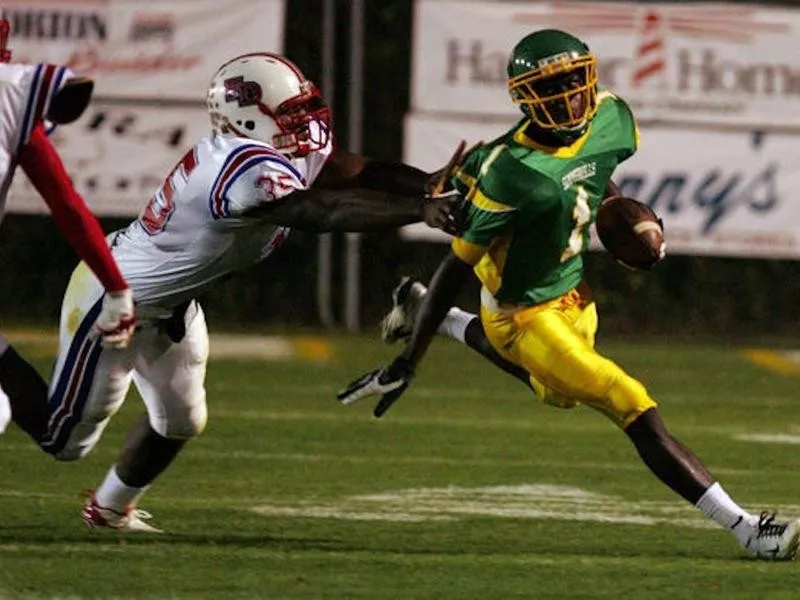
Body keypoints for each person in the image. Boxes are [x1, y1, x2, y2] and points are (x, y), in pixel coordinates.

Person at [336, 28, 800, 561]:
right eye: (552, 86)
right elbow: (454, 265)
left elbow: (597, 175)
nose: (569, 96)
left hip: (571, 292)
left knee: (556, 393)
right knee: (628, 400)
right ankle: (749, 530)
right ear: (524, 97)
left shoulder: (611, 118)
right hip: (522, 314)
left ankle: (435, 318)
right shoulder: (508, 172)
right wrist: (408, 360)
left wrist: (623, 214)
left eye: (575, 81)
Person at [9, 51, 463, 532]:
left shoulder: (269, 152)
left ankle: (107, 511)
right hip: (114, 297)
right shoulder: (239, 164)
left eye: (302, 108)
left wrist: (427, 185)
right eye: (289, 113)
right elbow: (323, 211)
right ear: (248, 117)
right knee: (64, 439)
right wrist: (419, 210)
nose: (304, 122)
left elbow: (354, 171)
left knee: (181, 421)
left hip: (172, 305)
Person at [0, 18, 135, 435]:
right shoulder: (11, 91)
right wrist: (116, 288)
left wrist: (116, 287)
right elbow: (72, 91)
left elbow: (66, 205)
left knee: (42, 420)